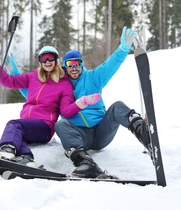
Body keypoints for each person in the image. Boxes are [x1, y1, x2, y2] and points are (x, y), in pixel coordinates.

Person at [0, 44, 101, 167]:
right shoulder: (33, 76)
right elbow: (8, 81)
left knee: (13, 124)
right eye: (43, 58)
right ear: (40, 61)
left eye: (50, 57)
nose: (47, 61)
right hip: (27, 125)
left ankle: (6, 150)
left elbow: (66, 111)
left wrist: (82, 102)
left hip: (44, 126)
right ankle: (26, 158)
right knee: (17, 136)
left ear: (56, 60)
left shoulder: (64, 83)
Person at [54, 26, 151, 178]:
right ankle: (84, 163)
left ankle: (143, 132)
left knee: (117, 106)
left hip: (101, 131)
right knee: (60, 125)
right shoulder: (59, 87)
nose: (74, 68)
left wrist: (123, 48)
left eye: (77, 63)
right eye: (70, 64)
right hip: (79, 136)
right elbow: (36, 94)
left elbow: (110, 65)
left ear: (81, 64)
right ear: (64, 67)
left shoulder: (93, 78)